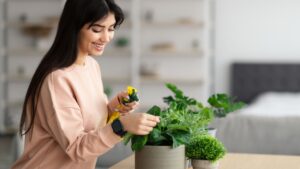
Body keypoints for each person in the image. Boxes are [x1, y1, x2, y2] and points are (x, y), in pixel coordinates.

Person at [11, 0, 160, 168]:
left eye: (111, 29)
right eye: (97, 29)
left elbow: (92, 125)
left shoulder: (91, 65)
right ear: (74, 27)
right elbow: (77, 148)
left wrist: (114, 107)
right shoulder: (57, 80)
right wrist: (122, 125)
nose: (106, 38)